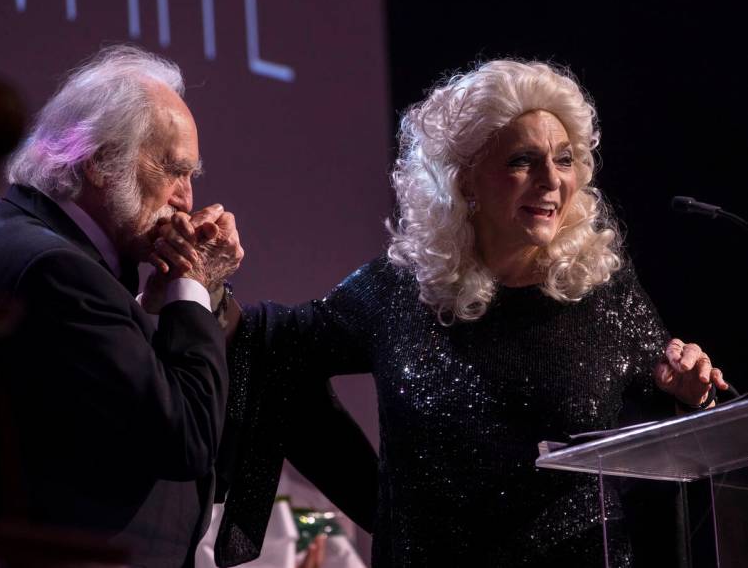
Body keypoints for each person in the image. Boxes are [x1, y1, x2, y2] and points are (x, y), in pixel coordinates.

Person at [154, 60, 727, 566]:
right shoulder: (403, 289)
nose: (552, 181)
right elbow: (274, 344)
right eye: (523, 161)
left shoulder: (601, 289)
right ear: (465, 179)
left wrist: (691, 391)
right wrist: (204, 280)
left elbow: (678, 415)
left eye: (565, 159)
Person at [0, 45, 244, 567]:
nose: (186, 197)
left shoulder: (40, 247)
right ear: (100, 164)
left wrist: (152, 307)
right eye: (175, 171)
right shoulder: (60, 271)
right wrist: (192, 282)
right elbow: (187, 437)